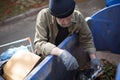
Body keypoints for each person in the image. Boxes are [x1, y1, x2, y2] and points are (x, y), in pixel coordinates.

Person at [34, 0, 100, 70]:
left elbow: (87, 38)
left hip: (67, 58)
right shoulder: (44, 16)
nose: (65, 22)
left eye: (69, 18)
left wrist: (93, 58)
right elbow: (39, 43)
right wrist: (61, 52)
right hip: (47, 61)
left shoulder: (78, 17)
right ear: (54, 16)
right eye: (61, 19)